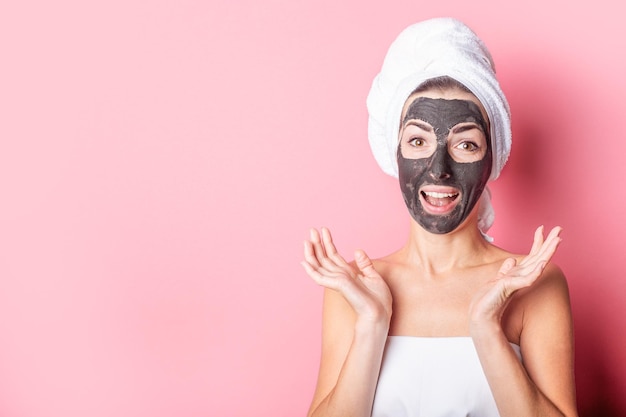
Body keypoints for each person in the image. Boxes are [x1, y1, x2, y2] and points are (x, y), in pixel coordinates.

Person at [301, 18, 577, 417]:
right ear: (394, 155)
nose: (439, 170)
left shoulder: (534, 283)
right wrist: (371, 325)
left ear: (491, 158)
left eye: (466, 144)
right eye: (417, 141)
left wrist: (486, 329)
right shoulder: (355, 289)